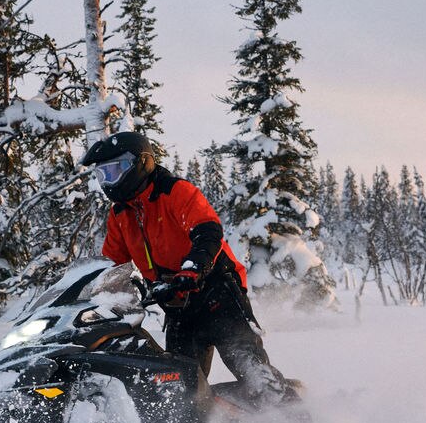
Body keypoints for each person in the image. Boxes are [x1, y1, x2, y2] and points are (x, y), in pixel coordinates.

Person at [80, 131, 299, 407]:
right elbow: (113, 265)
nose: (108, 181)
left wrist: (192, 269)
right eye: (102, 175)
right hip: (177, 305)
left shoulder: (174, 191)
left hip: (217, 292)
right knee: (180, 388)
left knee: (251, 369)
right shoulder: (120, 214)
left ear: (141, 163)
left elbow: (207, 230)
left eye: (114, 171)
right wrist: (95, 293)